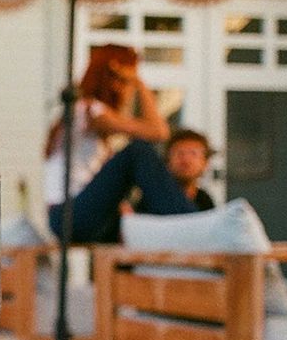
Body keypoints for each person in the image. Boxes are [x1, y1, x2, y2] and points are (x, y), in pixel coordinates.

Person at [44, 44, 196, 243]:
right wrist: (139, 82)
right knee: (137, 152)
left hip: (73, 216)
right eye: (125, 80)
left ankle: (179, 231)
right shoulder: (92, 111)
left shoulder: (87, 115)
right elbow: (159, 131)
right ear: (112, 78)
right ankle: (191, 224)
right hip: (68, 216)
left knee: (138, 216)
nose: (127, 88)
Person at [160, 128, 216, 212]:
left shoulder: (205, 202)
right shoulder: (153, 198)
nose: (186, 160)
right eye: (180, 153)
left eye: (193, 154)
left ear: (205, 163)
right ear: (167, 161)